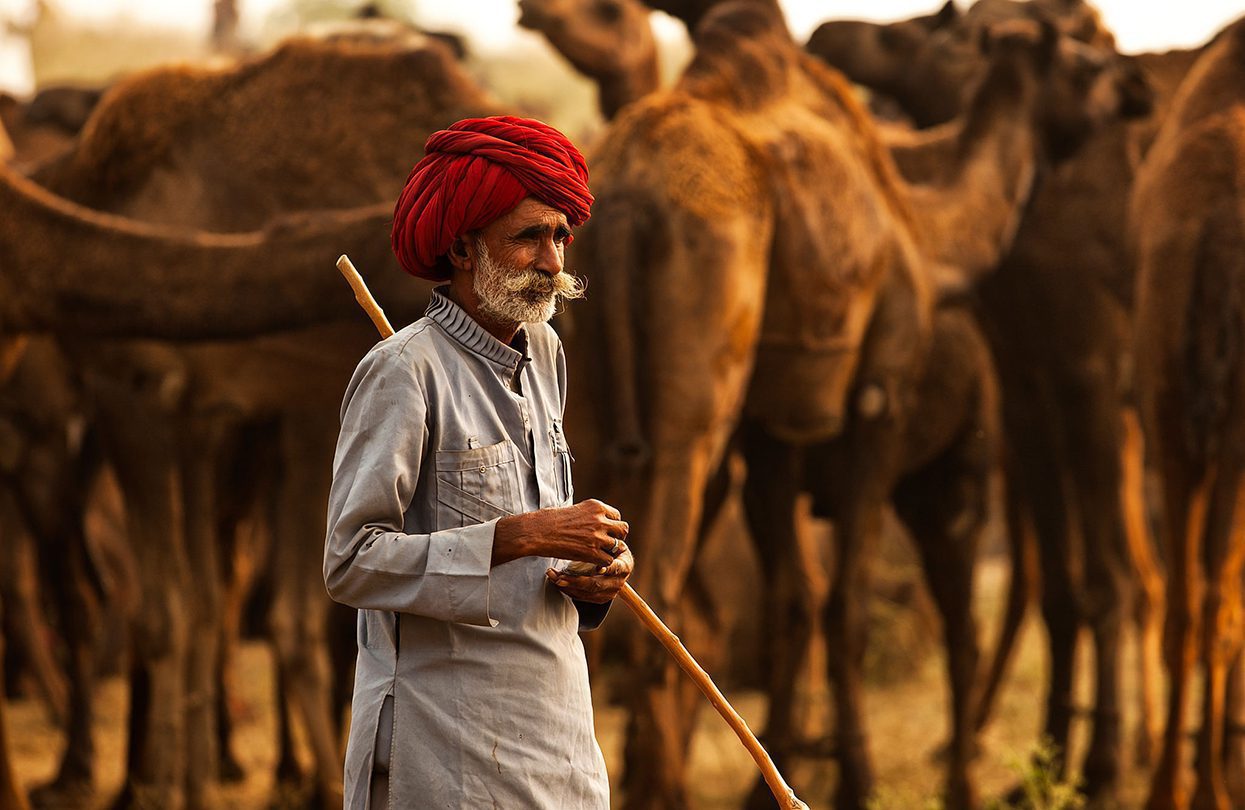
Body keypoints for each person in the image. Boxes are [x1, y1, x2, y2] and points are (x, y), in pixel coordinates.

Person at [324, 115, 633, 810]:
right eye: (528, 236)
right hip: (443, 747)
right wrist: (522, 536)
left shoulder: (546, 352)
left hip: (556, 733)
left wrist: (594, 575)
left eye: (559, 235)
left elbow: (542, 556)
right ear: (462, 248)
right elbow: (349, 561)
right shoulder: (402, 371)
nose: (554, 260)